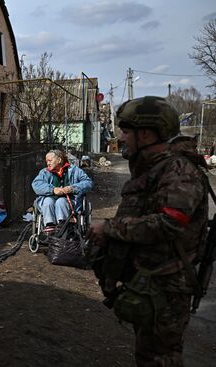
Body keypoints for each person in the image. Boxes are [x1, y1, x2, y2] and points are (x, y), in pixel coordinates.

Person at [87, 96, 208, 366]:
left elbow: (169, 224)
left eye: (126, 131)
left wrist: (110, 228)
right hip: (151, 284)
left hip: (168, 289)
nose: (121, 137)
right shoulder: (154, 168)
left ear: (146, 134)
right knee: (147, 354)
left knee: (160, 358)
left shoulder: (179, 171)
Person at [31, 149, 93, 232]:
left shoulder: (74, 171)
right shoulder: (45, 172)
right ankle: (49, 225)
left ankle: (62, 224)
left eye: (50, 161)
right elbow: (36, 185)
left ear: (59, 160)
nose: (48, 163)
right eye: (46, 161)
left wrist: (73, 188)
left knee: (61, 201)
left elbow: (88, 183)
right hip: (50, 198)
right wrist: (53, 190)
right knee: (48, 201)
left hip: (70, 201)